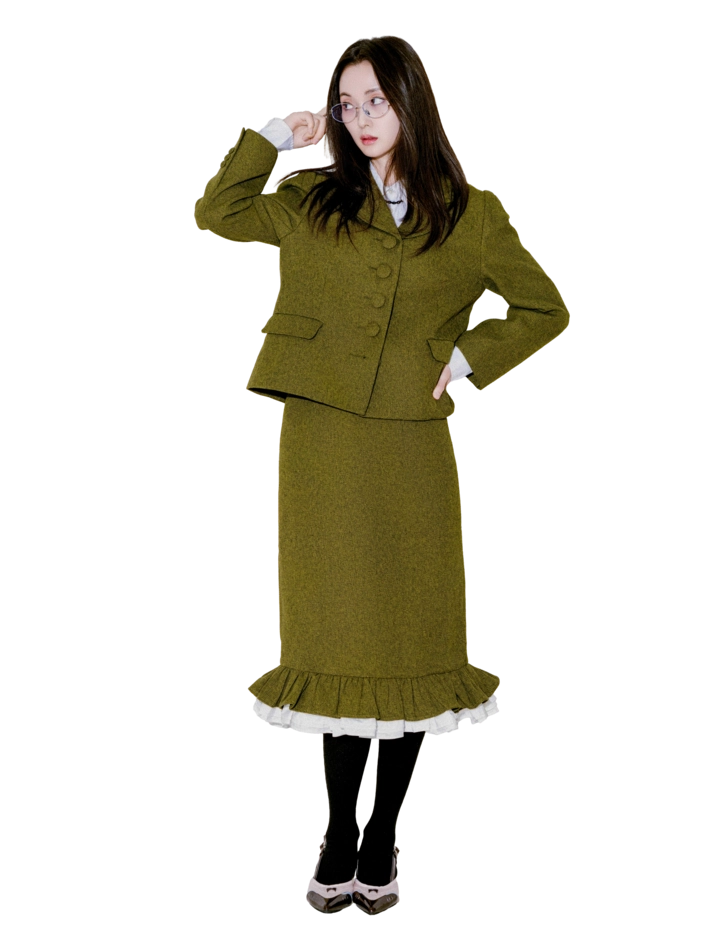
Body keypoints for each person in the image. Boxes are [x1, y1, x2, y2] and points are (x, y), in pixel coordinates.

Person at [195, 35, 570, 914]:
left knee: (410, 637)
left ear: (413, 103)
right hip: (323, 442)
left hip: (412, 446)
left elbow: (544, 308)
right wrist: (273, 135)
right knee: (336, 636)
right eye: (348, 103)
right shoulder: (308, 198)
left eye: (378, 100)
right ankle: (335, 834)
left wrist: (470, 357)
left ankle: (380, 836)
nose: (362, 118)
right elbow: (216, 212)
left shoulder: (473, 214)